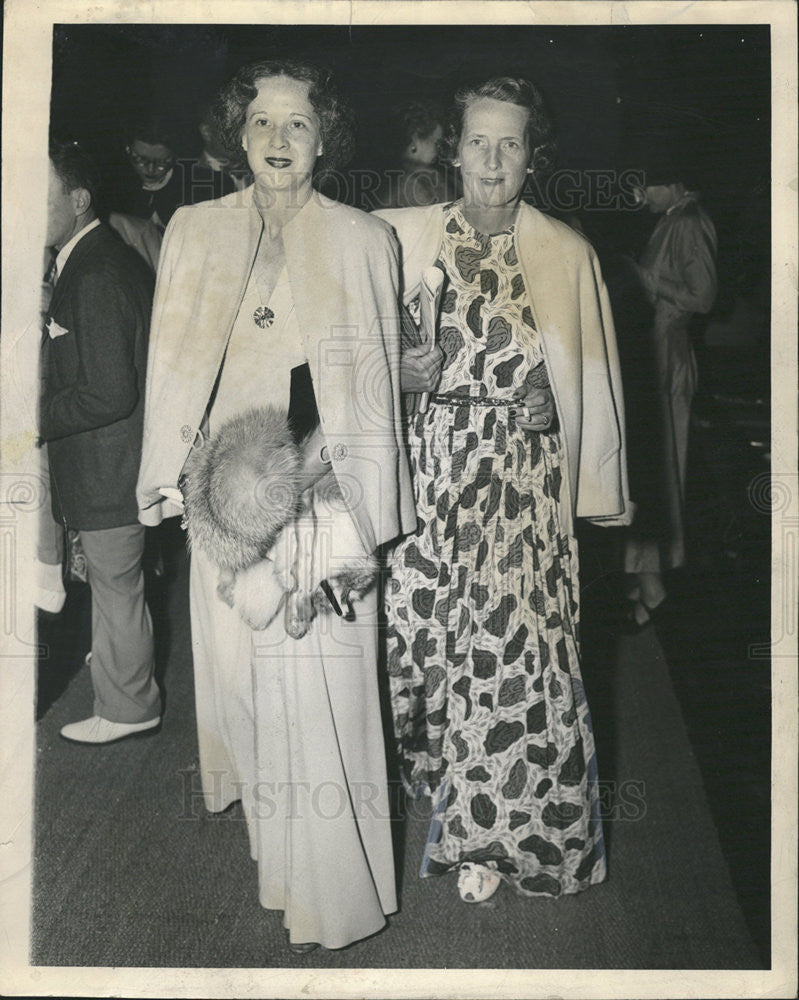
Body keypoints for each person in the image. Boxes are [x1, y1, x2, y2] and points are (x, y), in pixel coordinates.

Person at [135, 60, 415, 952]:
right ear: (237, 137)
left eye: (298, 124)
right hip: (224, 504)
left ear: (324, 138)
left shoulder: (364, 240)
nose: (279, 141)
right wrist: (174, 479)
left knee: (325, 694)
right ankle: (279, 870)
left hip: (323, 505)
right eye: (262, 122)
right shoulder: (191, 230)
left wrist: (329, 477)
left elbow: (371, 393)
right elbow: (172, 368)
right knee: (244, 695)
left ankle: (336, 898)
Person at [375, 77, 630, 903]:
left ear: (532, 155)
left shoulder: (567, 252)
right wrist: (398, 373)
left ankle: (493, 835)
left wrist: (553, 400)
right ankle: (434, 774)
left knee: (508, 653)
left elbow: (588, 379)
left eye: (509, 143)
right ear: (451, 148)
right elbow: (337, 364)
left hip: (517, 479)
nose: (490, 159)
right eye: (476, 141)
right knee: (414, 638)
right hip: (421, 469)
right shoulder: (395, 239)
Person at [40, 139, 159, 744]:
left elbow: (110, 393)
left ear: (79, 200)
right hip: (110, 465)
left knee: (117, 589)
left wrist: (33, 418)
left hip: (110, 467)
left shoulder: (97, 271)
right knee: (116, 589)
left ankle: (129, 707)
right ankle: (120, 671)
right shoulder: (95, 258)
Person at [621, 165, 718, 628]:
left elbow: (704, 298)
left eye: (648, 185)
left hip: (670, 358)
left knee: (661, 472)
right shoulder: (670, 219)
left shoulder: (688, 221)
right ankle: (646, 576)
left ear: (675, 182)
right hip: (655, 355)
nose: (642, 195)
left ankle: (655, 586)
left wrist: (646, 279)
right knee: (650, 469)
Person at [372, 100, 458, 209]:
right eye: (436, 143)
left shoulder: (383, 174)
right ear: (414, 142)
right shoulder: (420, 181)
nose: (439, 151)